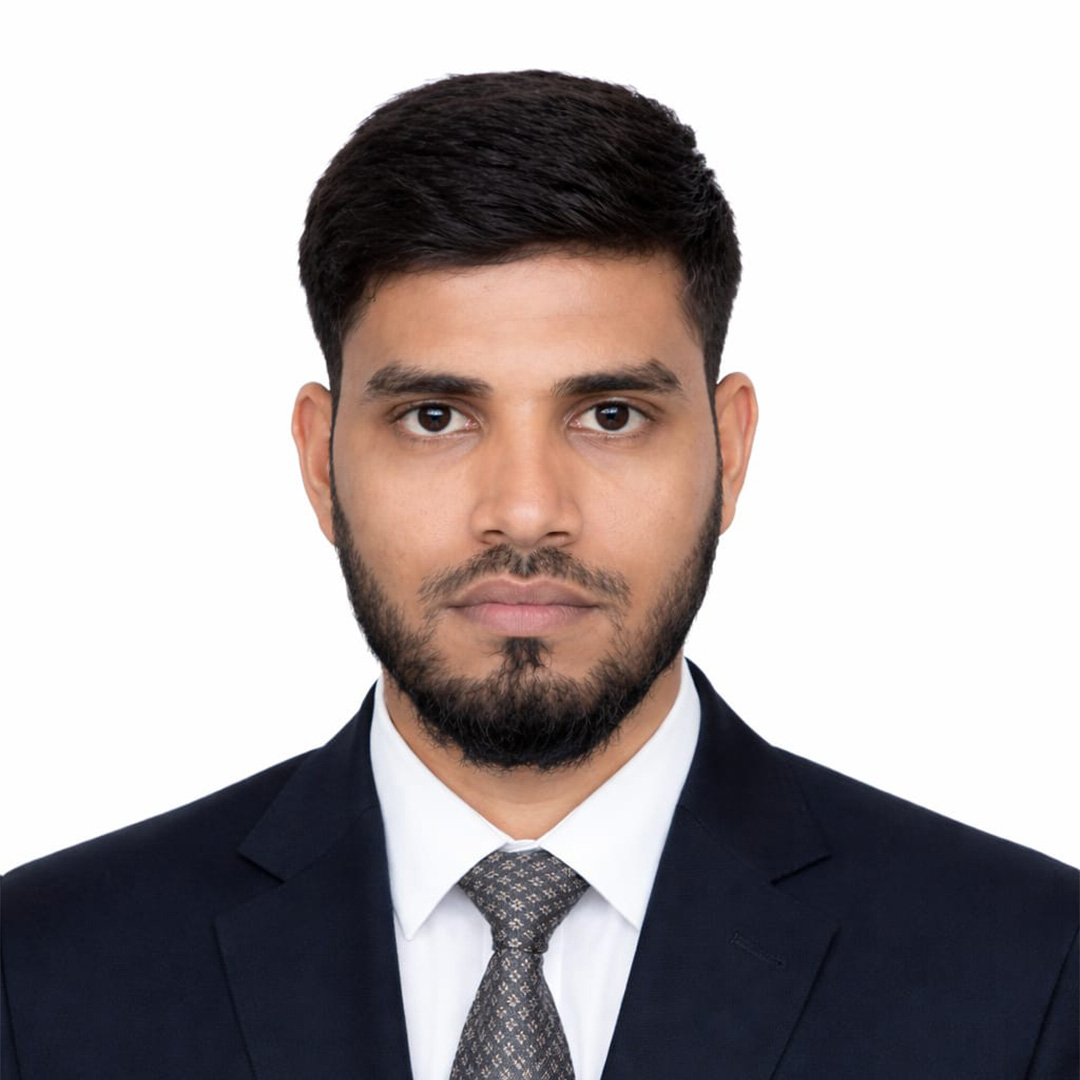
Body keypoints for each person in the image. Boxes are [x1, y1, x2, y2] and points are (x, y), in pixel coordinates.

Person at [1, 69, 1075, 1080]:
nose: (524, 510)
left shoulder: (1031, 973)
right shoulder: (41, 973)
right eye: (435, 417)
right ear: (321, 464)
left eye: (610, 415)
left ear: (731, 451)